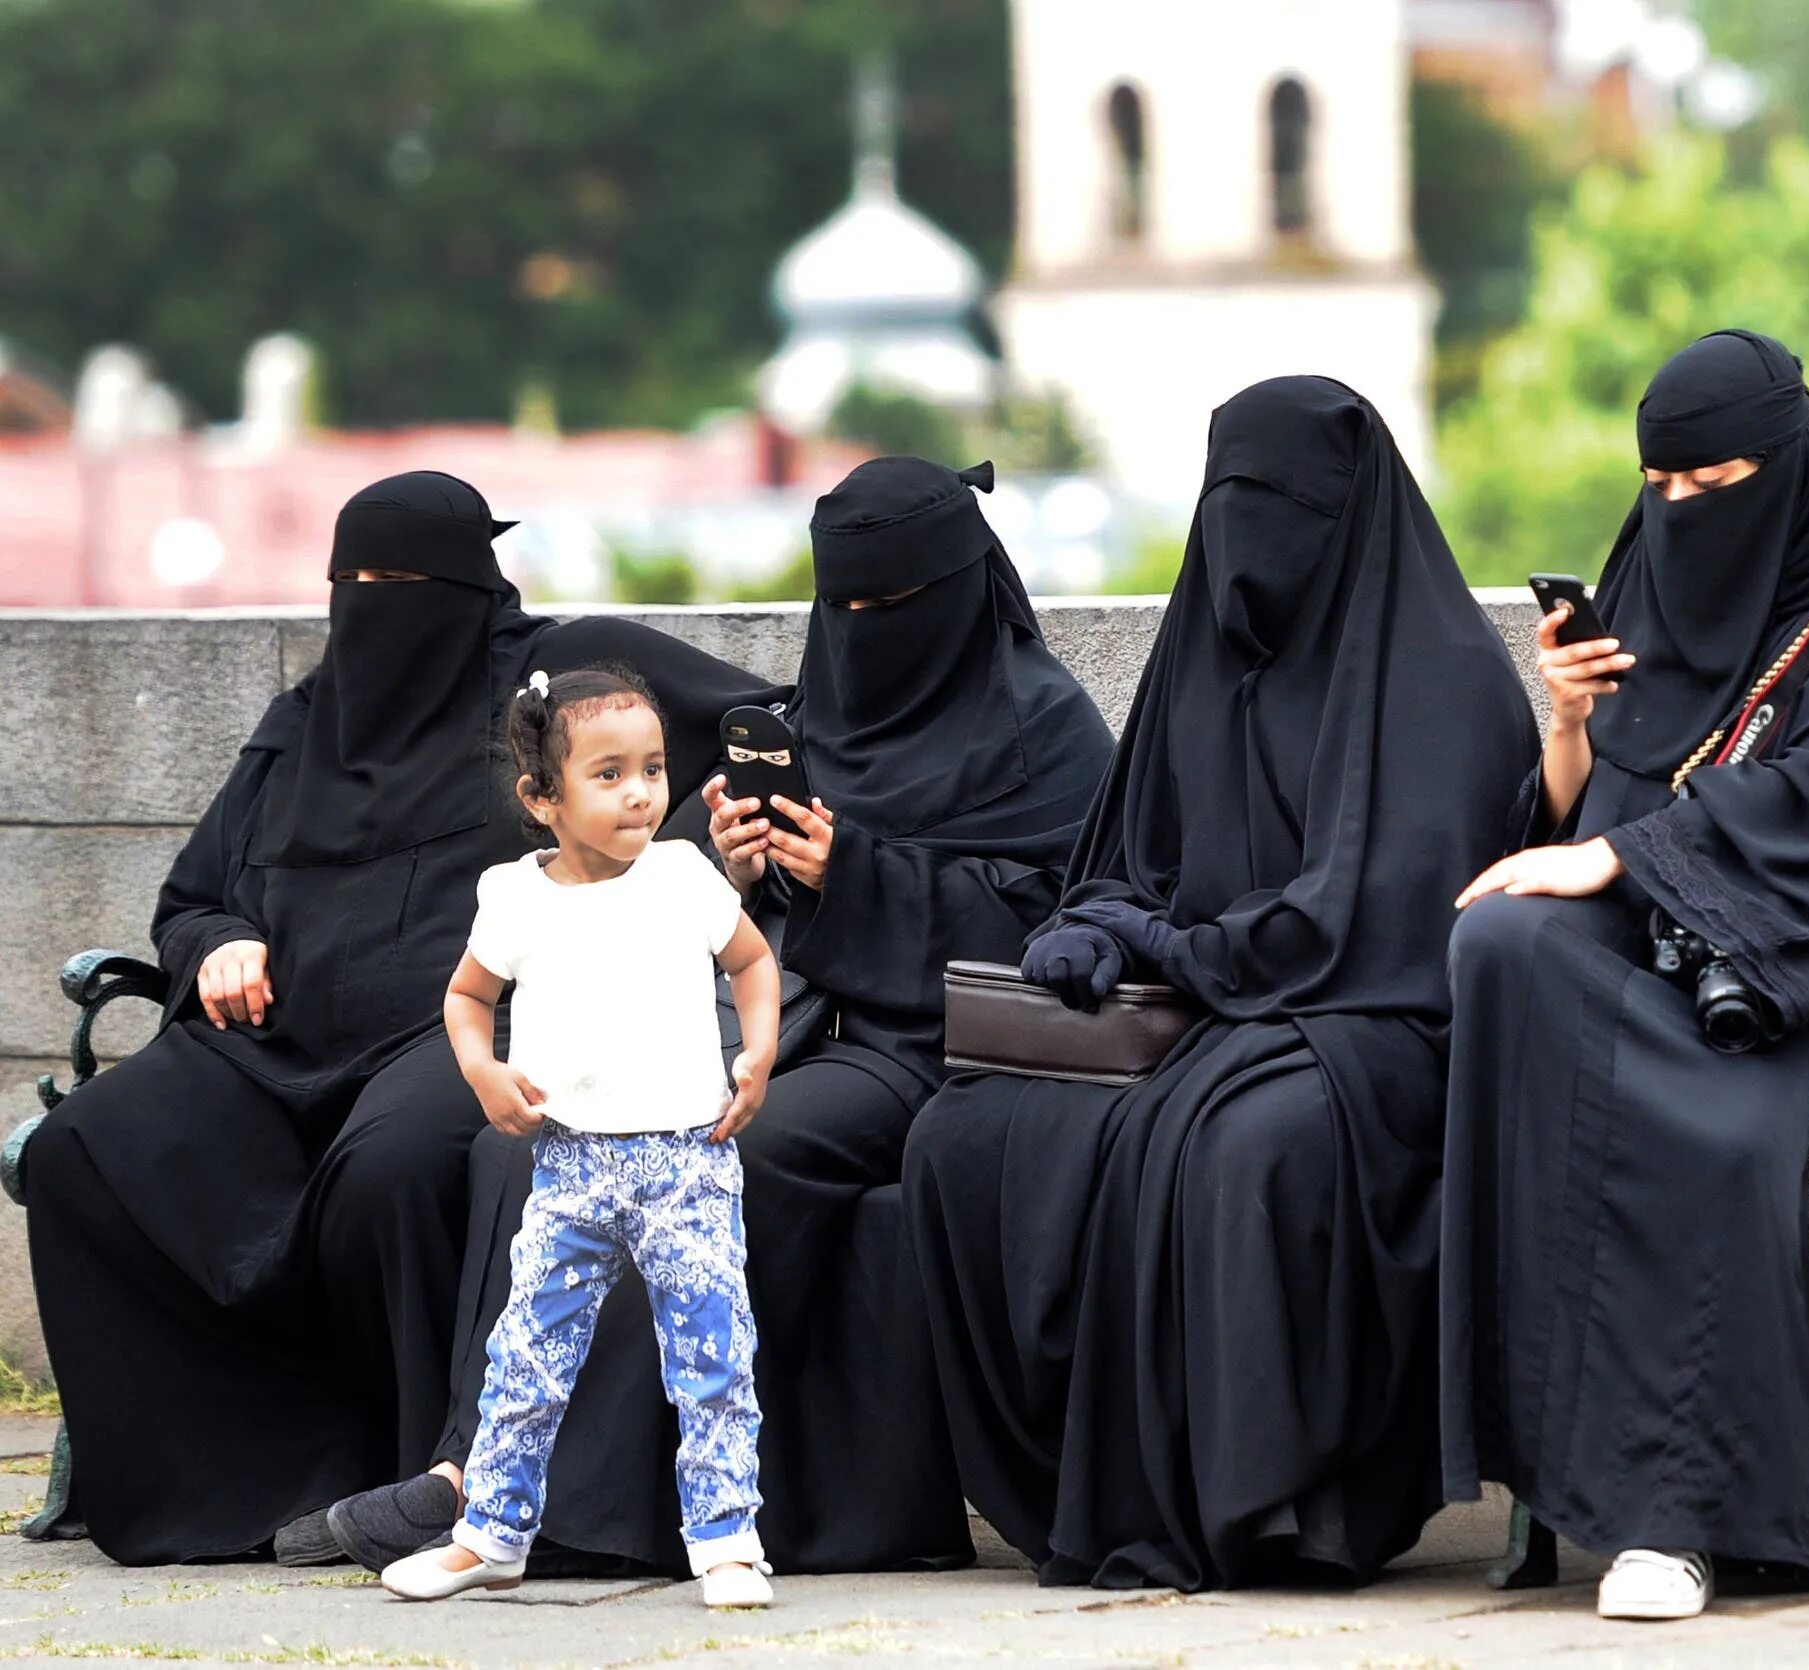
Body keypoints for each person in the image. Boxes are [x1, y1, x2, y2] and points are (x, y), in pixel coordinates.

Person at [331, 457, 1114, 1575]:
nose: (860, 632)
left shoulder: (1044, 731)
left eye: (889, 608)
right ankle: (479, 1466)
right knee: (543, 1146)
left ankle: (564, 1511)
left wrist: (863, 873)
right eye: (838, 606)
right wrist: (748, 865)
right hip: (782, 1019)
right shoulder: (821, 703)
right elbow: (741, 924)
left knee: (711, 1156)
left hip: (924, 1049)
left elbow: (1059, 924)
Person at [19, 472, 784, 1566]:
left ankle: (422, 1480)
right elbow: (190, 898)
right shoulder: (302, 720)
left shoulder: (549, 683)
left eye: (405, 582)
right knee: (85, 1146)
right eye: (354, 582)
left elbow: (766, 727)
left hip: (462, 1024)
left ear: (471, 585)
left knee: (393, 1165)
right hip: (271, 1039)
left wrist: (730, 830)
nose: (376, 605)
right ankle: (208, 1484)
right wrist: (220, 939)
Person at [903, 376, 1538, 1592]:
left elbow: (1355, 922)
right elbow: (1128, 856)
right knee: (962, 1132)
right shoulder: (1204, 657)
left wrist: (1162, 938)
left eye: (1280, 506)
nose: (1250, 539)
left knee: (1242, 1149)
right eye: (1227, 503)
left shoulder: (1439, 674)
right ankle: (1071, 1491)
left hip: (1370, 1024)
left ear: (1349, 515)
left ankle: (1283, 1509)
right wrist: (1094, 928)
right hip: (1208, 1011)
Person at [1438, 331, 1809, 1621]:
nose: (1675, 516)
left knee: (1706, 1143)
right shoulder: (1651, 591)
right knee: (1496, 940)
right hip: (1608, 965)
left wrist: (1620, 853)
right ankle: (1571, 1483)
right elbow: (1569, 825)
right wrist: (1566, 723)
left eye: (1708, 486)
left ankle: (1676, 1521)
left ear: (1781, 470)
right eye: (1654, 488)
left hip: (1749, 994)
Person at [380, 666, 780, 1608]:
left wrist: (757, 1051)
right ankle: (492, 1533)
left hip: (687, 1157)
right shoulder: (515, 900)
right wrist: (483, 1072)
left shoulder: (684, 878)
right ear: (542, 798)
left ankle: (726, 1539)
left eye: (652, 767)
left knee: (712, 1355)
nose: (640, 791)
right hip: (570, 1164)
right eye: (608, 774)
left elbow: (754, 963)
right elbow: (467, 998)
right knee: (526, 1357)